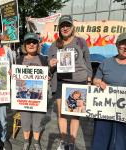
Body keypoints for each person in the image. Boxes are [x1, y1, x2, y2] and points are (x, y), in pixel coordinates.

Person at [48, 15, 92, 150]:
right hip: (61, 82)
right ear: (59, 28)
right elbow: (49, 66)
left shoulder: (81, 42)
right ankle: (63, 141)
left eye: (67, 25)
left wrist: (89, 80)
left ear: (72, 27)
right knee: (62, 113)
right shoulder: (55, 44)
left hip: (78, 82)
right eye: (62, 25)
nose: (65, 28)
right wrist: (51, 64)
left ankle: (71, 142)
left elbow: (88, 61)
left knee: (75, 114)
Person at [91, 32, 126, 150]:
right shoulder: (106, 62)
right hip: (104, 110)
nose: (125, 47)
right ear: (117, 45)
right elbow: (95, 79)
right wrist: (98, 82)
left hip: (124, 113)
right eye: (122, 44)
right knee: (100, 141)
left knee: (120, 143)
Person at [16, 32, 48, 150]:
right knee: (25, 120)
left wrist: (48, 75)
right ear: (24, 45)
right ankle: (25, 141)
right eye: (28, 42)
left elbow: (48, 75)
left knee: (37, 121)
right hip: (24, 98)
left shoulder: (43, 59)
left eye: (34, 42)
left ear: (37, 44)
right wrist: (14, 76)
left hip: (38, 98)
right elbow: (17, 81)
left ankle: (36, 142)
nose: (31, 44)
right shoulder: (19, 59)